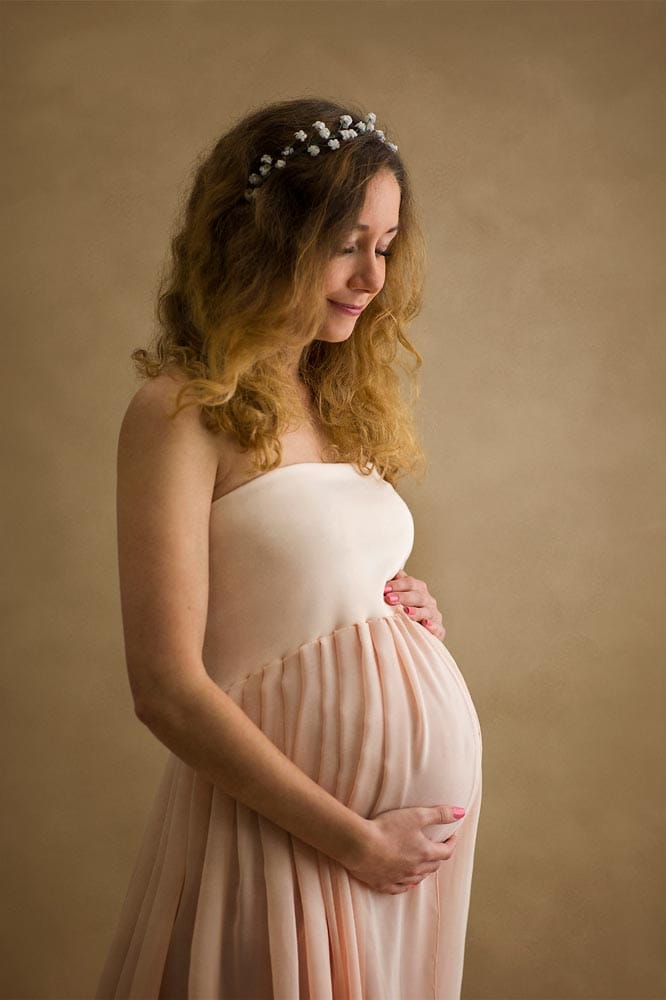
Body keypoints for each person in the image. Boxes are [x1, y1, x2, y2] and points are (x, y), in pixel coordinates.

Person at [95, 97, 482, 1000]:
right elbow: (164, 688)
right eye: (345, 243)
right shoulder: (181, 411)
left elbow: (310, 585)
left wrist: (401, 613)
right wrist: (357, 840)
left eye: (384, 246)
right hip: (291, 837)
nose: (371, 276)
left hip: (391, 867)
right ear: (265, 238)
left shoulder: (336, 400)